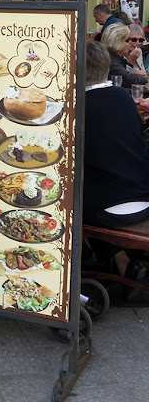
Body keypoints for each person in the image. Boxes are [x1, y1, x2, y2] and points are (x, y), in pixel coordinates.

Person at [83, 40, 149, 288]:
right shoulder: (123, 97)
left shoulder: (80, 107)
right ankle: (122, 262)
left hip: (108, 208)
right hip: (143, 194)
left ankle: (74, 263)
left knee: (70, 199)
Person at [101, 23, 148, 88]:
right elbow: (127, 79)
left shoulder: (112, 56)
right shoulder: (111, 59)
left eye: (141, 40)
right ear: (118, 42)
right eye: (127, 40)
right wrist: (141, 76)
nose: (137, 43)